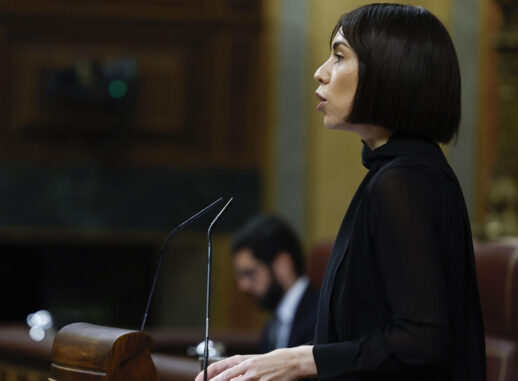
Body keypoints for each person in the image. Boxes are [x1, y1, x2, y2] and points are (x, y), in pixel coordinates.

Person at [196, 4, 486, 381]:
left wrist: (299, 360)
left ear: (388, 69)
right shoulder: (402, 172)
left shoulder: (404, 181)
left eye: (338, 55)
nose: (320, 73)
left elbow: (422, 339)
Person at [231, 215, 318, 352]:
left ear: (283, 265)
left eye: (250, 273)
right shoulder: (273, 323)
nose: (243, 286)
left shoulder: (320, 317)